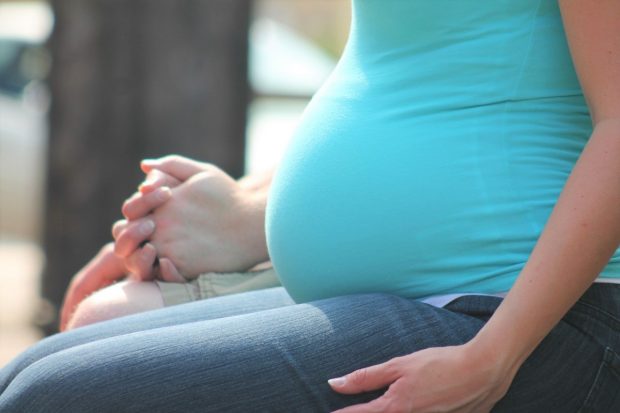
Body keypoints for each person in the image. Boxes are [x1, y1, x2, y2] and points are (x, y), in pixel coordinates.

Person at [1, 1, 619, 411]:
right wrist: (253, 207)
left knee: (54, 399)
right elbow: (417, 78)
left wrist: (495, 356)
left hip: (520, 314)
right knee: (27, 375)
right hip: (430, 294)